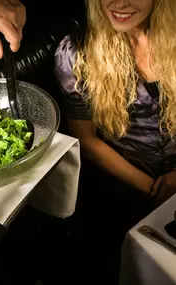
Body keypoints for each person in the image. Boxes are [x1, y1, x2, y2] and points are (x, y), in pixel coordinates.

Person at [54, 0, 176, 283]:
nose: (119, 3)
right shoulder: (76, 52)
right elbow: (86, 140)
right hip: (125, 184)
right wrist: (155, 191)